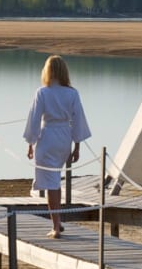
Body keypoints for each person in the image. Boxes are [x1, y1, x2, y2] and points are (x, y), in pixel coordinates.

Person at [23, 54, 91, 238]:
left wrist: (31, 143)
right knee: (55, 180)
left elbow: (34, 120)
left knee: (51, 182)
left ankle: (55, 226)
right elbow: (78, 121)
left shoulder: (42, 92)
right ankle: (58, 221)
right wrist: (77, 146)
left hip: (48, 137)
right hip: (64, 138)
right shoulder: (72, 93)